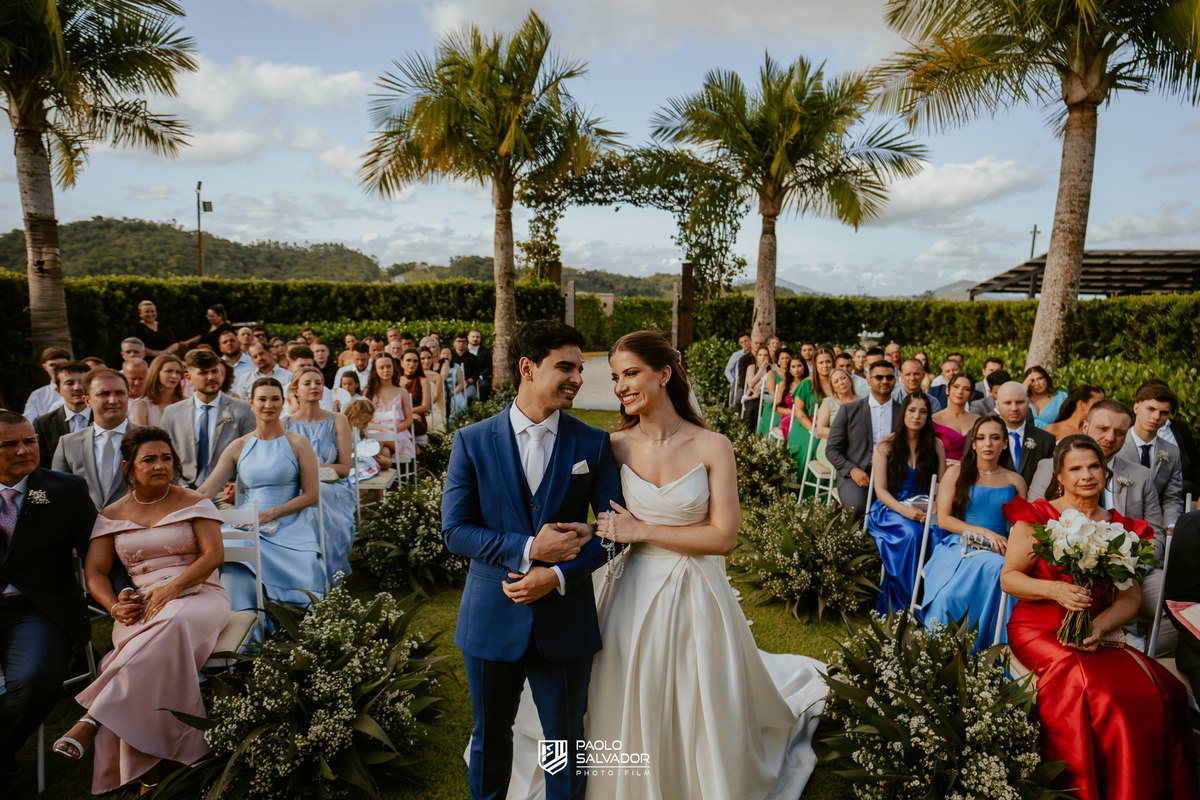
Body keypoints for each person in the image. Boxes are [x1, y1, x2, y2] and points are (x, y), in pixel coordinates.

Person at [503, 329, 828, 800]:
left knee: (701, 702)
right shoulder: (611, 446)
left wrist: (643, 531)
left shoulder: (713, 445)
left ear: (665, 373)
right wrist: (583, 534)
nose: (620, 387)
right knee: (623, 695)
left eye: (631, 373)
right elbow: (608, 523)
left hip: (697, 592)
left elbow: (724, 537)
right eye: (616, 377)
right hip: (628, 591)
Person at [442, 320, 624, 800]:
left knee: (564, 743)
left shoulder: (592, 443)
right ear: (527, 367)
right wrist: (527, 550)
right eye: (565, 366)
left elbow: (615, 531)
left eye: (580, 368)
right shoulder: (473, 441)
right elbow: (454, 531)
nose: (578, 378)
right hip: (490, 618)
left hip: (565, 622)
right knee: (489, 737)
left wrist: (558, 575)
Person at [1001, 436, 1197, 800]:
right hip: (1040, 626)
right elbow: (1009, 578)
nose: (1086, 475)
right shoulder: (1038, 515)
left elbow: (1131, 597)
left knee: (1165, 690)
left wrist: (1101, 626)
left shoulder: (1121, 528)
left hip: (1097, 627)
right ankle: (1083, 790)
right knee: (1096, 691)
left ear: (1105, 472)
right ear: (1059, 475)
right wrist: (1055, 591)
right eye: (1075, 468)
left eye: (1093, 467)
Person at [54, 427, 231, 794]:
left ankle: (93, 717)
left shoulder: (194, 501)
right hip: (141, 606)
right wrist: (115, 605)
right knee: (150, 646)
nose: (160, 465)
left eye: (166, 458)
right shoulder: (112, 514)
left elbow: (214, 555)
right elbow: (95, 572)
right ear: (129, 467)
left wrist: (175, 587)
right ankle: (150, 772)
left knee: (174, 619)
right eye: (149, 459)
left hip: (198, 594)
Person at [0, 411, 97, 792]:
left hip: (38, 611)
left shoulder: (66, 489)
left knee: (36, 683)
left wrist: (124, 590)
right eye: (10, 444)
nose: (24, 450)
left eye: (31, 440)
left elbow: (97, 553)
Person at [1028, 399, 1171, 654]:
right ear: (1085, 425)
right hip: (1063, 571)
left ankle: (1145, 647)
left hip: (1131, 568)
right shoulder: (1050, 466)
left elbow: (1156, 532)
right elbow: (1036, 520)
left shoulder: (1140, 475)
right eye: (1103, 428)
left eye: (1119, 432)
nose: (1109, 437)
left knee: (1173, 598)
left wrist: (1131, 563)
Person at [199, 377, 324, 609]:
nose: (269, 405)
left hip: (288, 524)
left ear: (284, 402)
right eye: (262, 399)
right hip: (245, 523)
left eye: (275, 399)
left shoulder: (298, 443)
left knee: (244, 548)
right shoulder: (239, 446)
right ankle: (243, 617)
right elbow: (207, 490)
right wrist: (173, 508)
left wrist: (270, 513)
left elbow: (311, 495)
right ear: (251, 403)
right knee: (231, 545)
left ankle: (259, 616)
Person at [921, 416, 1026, 648]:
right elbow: (945, 520)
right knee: (996, 570)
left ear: (1005, 443)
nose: (987, 443)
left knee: (1004, 568)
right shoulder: (956, 473)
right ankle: (945, 645)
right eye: (981, 438)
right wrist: (984, 533)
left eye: (995, 438)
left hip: (1000, 548)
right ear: (974, 444)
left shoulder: (1015, 480)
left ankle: (995, 645)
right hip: (961, 544)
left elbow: (1022, 527)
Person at [865, 391, 947, 613]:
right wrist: (905, 511)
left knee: (941, 533)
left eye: (923, 411)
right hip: (891, 506)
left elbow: (940, 487)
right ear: (903, 413)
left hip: (926, 503)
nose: (917, 416)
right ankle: (905, 601)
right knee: (912, 534)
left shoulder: (936, 445)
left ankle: (932, 601)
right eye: (912, 410)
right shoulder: (886, 445)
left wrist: (936, 509)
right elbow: (880, 490)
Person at [287, 367, 356, 582]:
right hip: (293, 488)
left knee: (315, 506)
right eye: (307, 383)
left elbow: (344, 468)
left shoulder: (338, 420)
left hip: (332, 487)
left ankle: (325, 577)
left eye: (318, 382)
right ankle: (300, 577)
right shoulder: (284, 424)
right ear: (295, 390)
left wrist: (307, 471)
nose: (314, 387)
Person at [158, 349, 255, 489]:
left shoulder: (243, 409)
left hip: (225, 491)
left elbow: (251, 455)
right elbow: (163, 455)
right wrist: (179, 487)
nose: (211, 377)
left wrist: (238, 487)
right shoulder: (172, 413)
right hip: (183, 490)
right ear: (188, 377)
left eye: (215, 371)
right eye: (203, 373)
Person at [51, 369, 137, 510]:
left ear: (128, 396)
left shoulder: (152, 437)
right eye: (104, 394)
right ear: (87, 400)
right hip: (86, 528)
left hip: (138, 526)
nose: (113, 400)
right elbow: (59, 493)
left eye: (119, 393)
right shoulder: (68, 444)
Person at [826, 360, 901, 519]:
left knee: (897, 512)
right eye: (879, 377)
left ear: (895, 380)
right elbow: (831, 449)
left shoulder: (904, 412)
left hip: (893, 475)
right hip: (856, 472)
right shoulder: (849, 410)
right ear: (869, 381)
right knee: (857, 509)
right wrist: (852, 470)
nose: (884, 381)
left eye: (889, 377)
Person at [1122, 382, 1185, 533]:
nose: (1156, 417)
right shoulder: (1116, 446)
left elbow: (1172, 497)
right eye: (1151, 409)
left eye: (1164, 413)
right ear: (1136, 408)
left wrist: (1171, 524)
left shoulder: (1172, 452)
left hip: (1156, 528)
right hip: (1120, 524)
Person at [788, 346, 836, 482]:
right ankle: (804, 489)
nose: (825, 366)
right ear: (815, 365)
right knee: (813, 446)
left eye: (828, 362)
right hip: (807, 426)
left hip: (831, 427)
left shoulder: (838, 383)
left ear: (833, 362)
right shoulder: (807, 383)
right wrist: (813, 430)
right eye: (821, 363)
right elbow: (799, 411)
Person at [995, 382, 1056, 486]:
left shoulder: (1046, 440)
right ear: (997, 405)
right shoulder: (983, 438)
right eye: (1008, 403)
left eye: (1019, 402)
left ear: (1028, 402)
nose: (1014, 408)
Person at [33, 360, 91, 467]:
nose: (77, 387)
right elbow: (42, 464)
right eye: (69, 383)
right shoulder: (43, 423)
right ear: (58, 390)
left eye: (82, 382)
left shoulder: (105, 418)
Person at [365, 354, 416, 460]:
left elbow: (409, 420)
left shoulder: (402, 392)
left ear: (393, 367)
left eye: (389, 366)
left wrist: (392, 429)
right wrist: (381, 429)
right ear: (375, 369)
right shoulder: (369, 392)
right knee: (385, 453)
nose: (386, 370)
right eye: (381, 367)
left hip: (397, 434)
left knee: (380, 440)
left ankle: (365, 466)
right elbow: (364, 419)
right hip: (375, 432)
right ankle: (389, 475)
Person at [813, 367, 859, 473]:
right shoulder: (828, 402)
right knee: (847, 467)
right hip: (833, 448)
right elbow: (820, 430)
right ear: (833, 388)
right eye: (836, 381)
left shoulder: (863, 401)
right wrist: (846, 436)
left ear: (850, 381)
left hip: (857, 447)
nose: (841, 382)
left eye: (843, 378)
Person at [931, 372, 979, 462]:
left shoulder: (978, 421)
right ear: (947, 390)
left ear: (972, 395)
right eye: (956, 387)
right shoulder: (933, 420)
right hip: (942, 471)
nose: (960, 392)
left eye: (966, 389)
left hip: (971, 471)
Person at [130, 355, 186, 427]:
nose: (174, 376)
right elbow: (141, 436)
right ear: (156, 373)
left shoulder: (188, 403)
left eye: (178, 372)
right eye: (169, 371)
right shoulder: (142, 406)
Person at [22, 347, 71, 421]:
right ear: (45, 367)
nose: (57, 368)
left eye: (62, 364)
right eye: (52, 365)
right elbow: (30, 422)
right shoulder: (37, 395)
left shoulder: (81, 391)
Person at [773, 355, 809, 443]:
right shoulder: (784, 384)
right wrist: (792, 412)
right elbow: (777, 408)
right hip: (789, 416)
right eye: (793, 367)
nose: (796, 370)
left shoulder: (809, 383)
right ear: (789, 369)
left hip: (806, 415)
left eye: (799, 366)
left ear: (804, 367)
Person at [399, 348, 430, 438]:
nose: (412, 364)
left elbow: (425, 407)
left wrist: (409, 413)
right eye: (408, 360)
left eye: (415, 361)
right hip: (399, 416)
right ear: (401, 362)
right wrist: (407, 414)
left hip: (417, 418)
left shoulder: (423, 381)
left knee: (409, 424)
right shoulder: (395, 381)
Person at [1023, 366, 1067, 430]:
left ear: (1046, 378)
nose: (1037, 384)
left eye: (1040, 379)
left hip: (1053, 436)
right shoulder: (1022, 399)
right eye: (1032, 381)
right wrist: (1022, 390)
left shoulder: (1061, 397)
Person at [741, 346, 774, 430]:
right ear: (757, 356)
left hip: (767, 396)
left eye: (765, 355)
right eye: (760, 355)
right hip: (754, 396)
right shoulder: (751, 367)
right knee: (751, 409)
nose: (763, 357)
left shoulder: (773, 368)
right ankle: (748, 431)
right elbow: (751, 384)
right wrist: (762, 369)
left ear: (769, 357)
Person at [419, 348, 447, 435]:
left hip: (432, 408)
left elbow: (436, 396)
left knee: (433, 421)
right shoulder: (413, 376)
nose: (426, 361)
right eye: (422, 358)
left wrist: (425, 406)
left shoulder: (436, 376)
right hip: (416, 408)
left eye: (429, 358)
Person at [451, 331, 482, 403]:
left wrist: (467, 382)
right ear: (454, 342)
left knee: (470, 395)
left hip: (467, 384)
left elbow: (476, 374)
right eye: (459, 341)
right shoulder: (451, 357)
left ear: (466, 342)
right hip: (452, 384)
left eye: (463, 341)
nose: (461, 344)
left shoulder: (473, 357)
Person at [723, 332, 753, 403]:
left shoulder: (756, 353)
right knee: (736, 400)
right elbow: (727, 370)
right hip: (739, 380)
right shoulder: (737, 355)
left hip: (752, 380)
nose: (744, 343)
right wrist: (733, 380)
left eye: (746, 341)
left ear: (750, 340)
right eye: (742, 342)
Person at [441, 345, 468, 423]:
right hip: (442, 392)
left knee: (460, 404)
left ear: (451, 356)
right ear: (440, 355)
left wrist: (453, 393)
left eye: (448, 354)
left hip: (455, 391)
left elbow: (461, 383)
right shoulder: (437, 367)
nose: (445, 356)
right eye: (443, 353)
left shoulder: (456, 366)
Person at [467, 328, 492, 402]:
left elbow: (489, 367)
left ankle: (482, 405)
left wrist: (480, 377)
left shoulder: (486, 351)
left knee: (485, 385)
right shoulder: (464, 350)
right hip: (466, 378)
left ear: (480, 338)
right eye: (473, 336)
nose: (475, 339)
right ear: (468, 337)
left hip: (480, 378)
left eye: (477, 337)